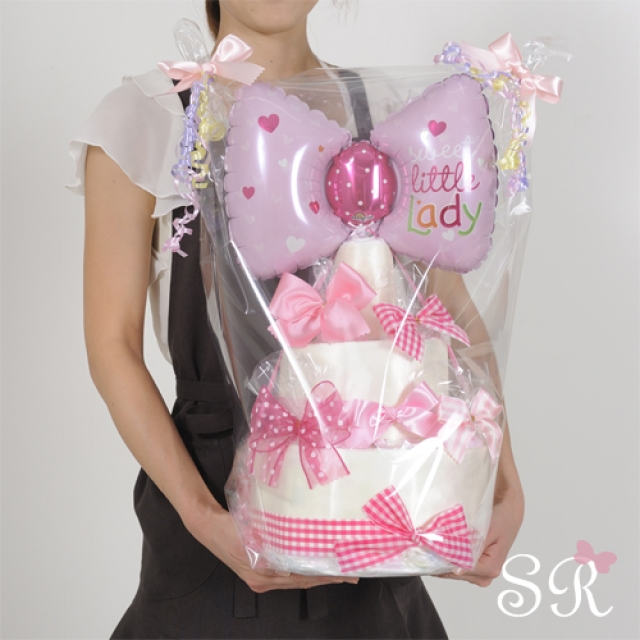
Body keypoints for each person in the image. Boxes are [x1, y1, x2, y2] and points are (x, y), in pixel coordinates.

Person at [72, 1, 524, 637]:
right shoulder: (146, 117)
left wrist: (503, 482)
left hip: (371, 490)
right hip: (210, 510)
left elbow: (448, 305)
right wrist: (206, 520)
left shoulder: (385, 113)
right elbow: (111, 346)